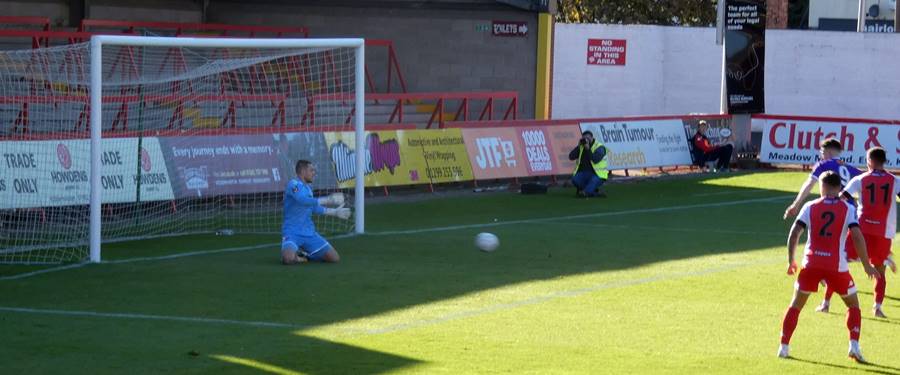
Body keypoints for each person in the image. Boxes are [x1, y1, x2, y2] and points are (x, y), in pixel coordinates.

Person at [778, 171, 879, 362]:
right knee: (853, 305)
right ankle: (854, 346)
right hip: (836, 267)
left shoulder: (810, 206)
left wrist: (791, 260)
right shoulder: (847, 208)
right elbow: (857, 236)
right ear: (839, 187)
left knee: (796, 305)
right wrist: (866, 265)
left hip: (811, 264)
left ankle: (783, 347)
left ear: (822, 186)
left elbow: (794, 233)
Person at [839, 147, 900, 318]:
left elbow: (841, 198)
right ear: (884, 161)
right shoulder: (895, 180)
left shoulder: (860, 179)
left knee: (840, 261)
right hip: (884, 232)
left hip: (861, 230)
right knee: (880, 271)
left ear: (870, 161)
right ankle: (877, 307)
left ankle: (826, 302)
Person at [281, 160, 350, 265]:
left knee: (334, 258)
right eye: (311, 170)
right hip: (292, 232)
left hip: (309, 233)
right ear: (303, 172)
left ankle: (305, 256)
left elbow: (314, 207)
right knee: (288, 259)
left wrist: (335, 212)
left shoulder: (308, 189)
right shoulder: (293, 184)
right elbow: (302, 200)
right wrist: (327, 199)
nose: (314, 173)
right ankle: (299, 257)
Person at [568, 130, 608, 198]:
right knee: (574, 180)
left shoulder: (600, 147)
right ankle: (594, 192)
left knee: (593, 180)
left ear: (592, 138)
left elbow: (595, 160)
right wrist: (578, 146)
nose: (587, 141)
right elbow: (571, 157)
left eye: (588, 138)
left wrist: (588, 149)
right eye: (585, 139)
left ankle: (586, 192)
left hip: (598, 174)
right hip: (585, 173)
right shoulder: (581, 147)